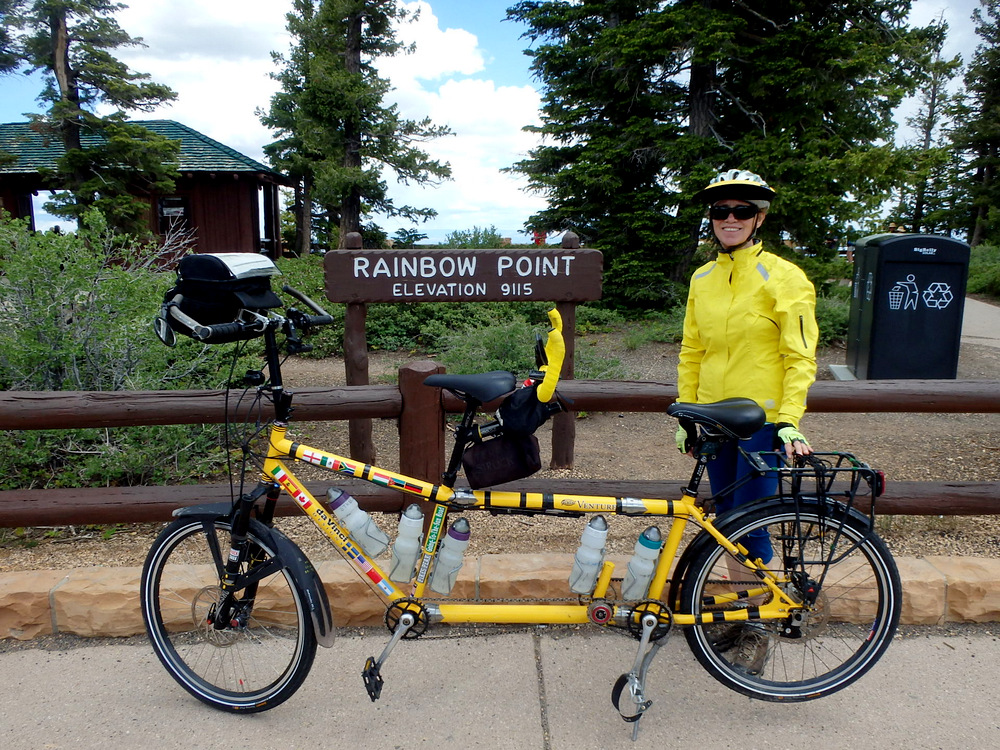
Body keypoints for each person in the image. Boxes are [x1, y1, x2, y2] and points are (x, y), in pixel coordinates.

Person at [675, 168, 819, 673]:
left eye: (741, 211)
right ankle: (741, 610)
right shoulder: (702, 278)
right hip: (714, 420)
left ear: (759, 217)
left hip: (762, 422)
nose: (729, 219)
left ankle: (756, 626)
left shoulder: (785, 278)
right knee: (726, 524)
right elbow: (692, 350)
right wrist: (686, 413)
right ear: (711, 218)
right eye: (720, 211)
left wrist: (790, 421)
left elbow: (800, 356)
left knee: (752, 525)